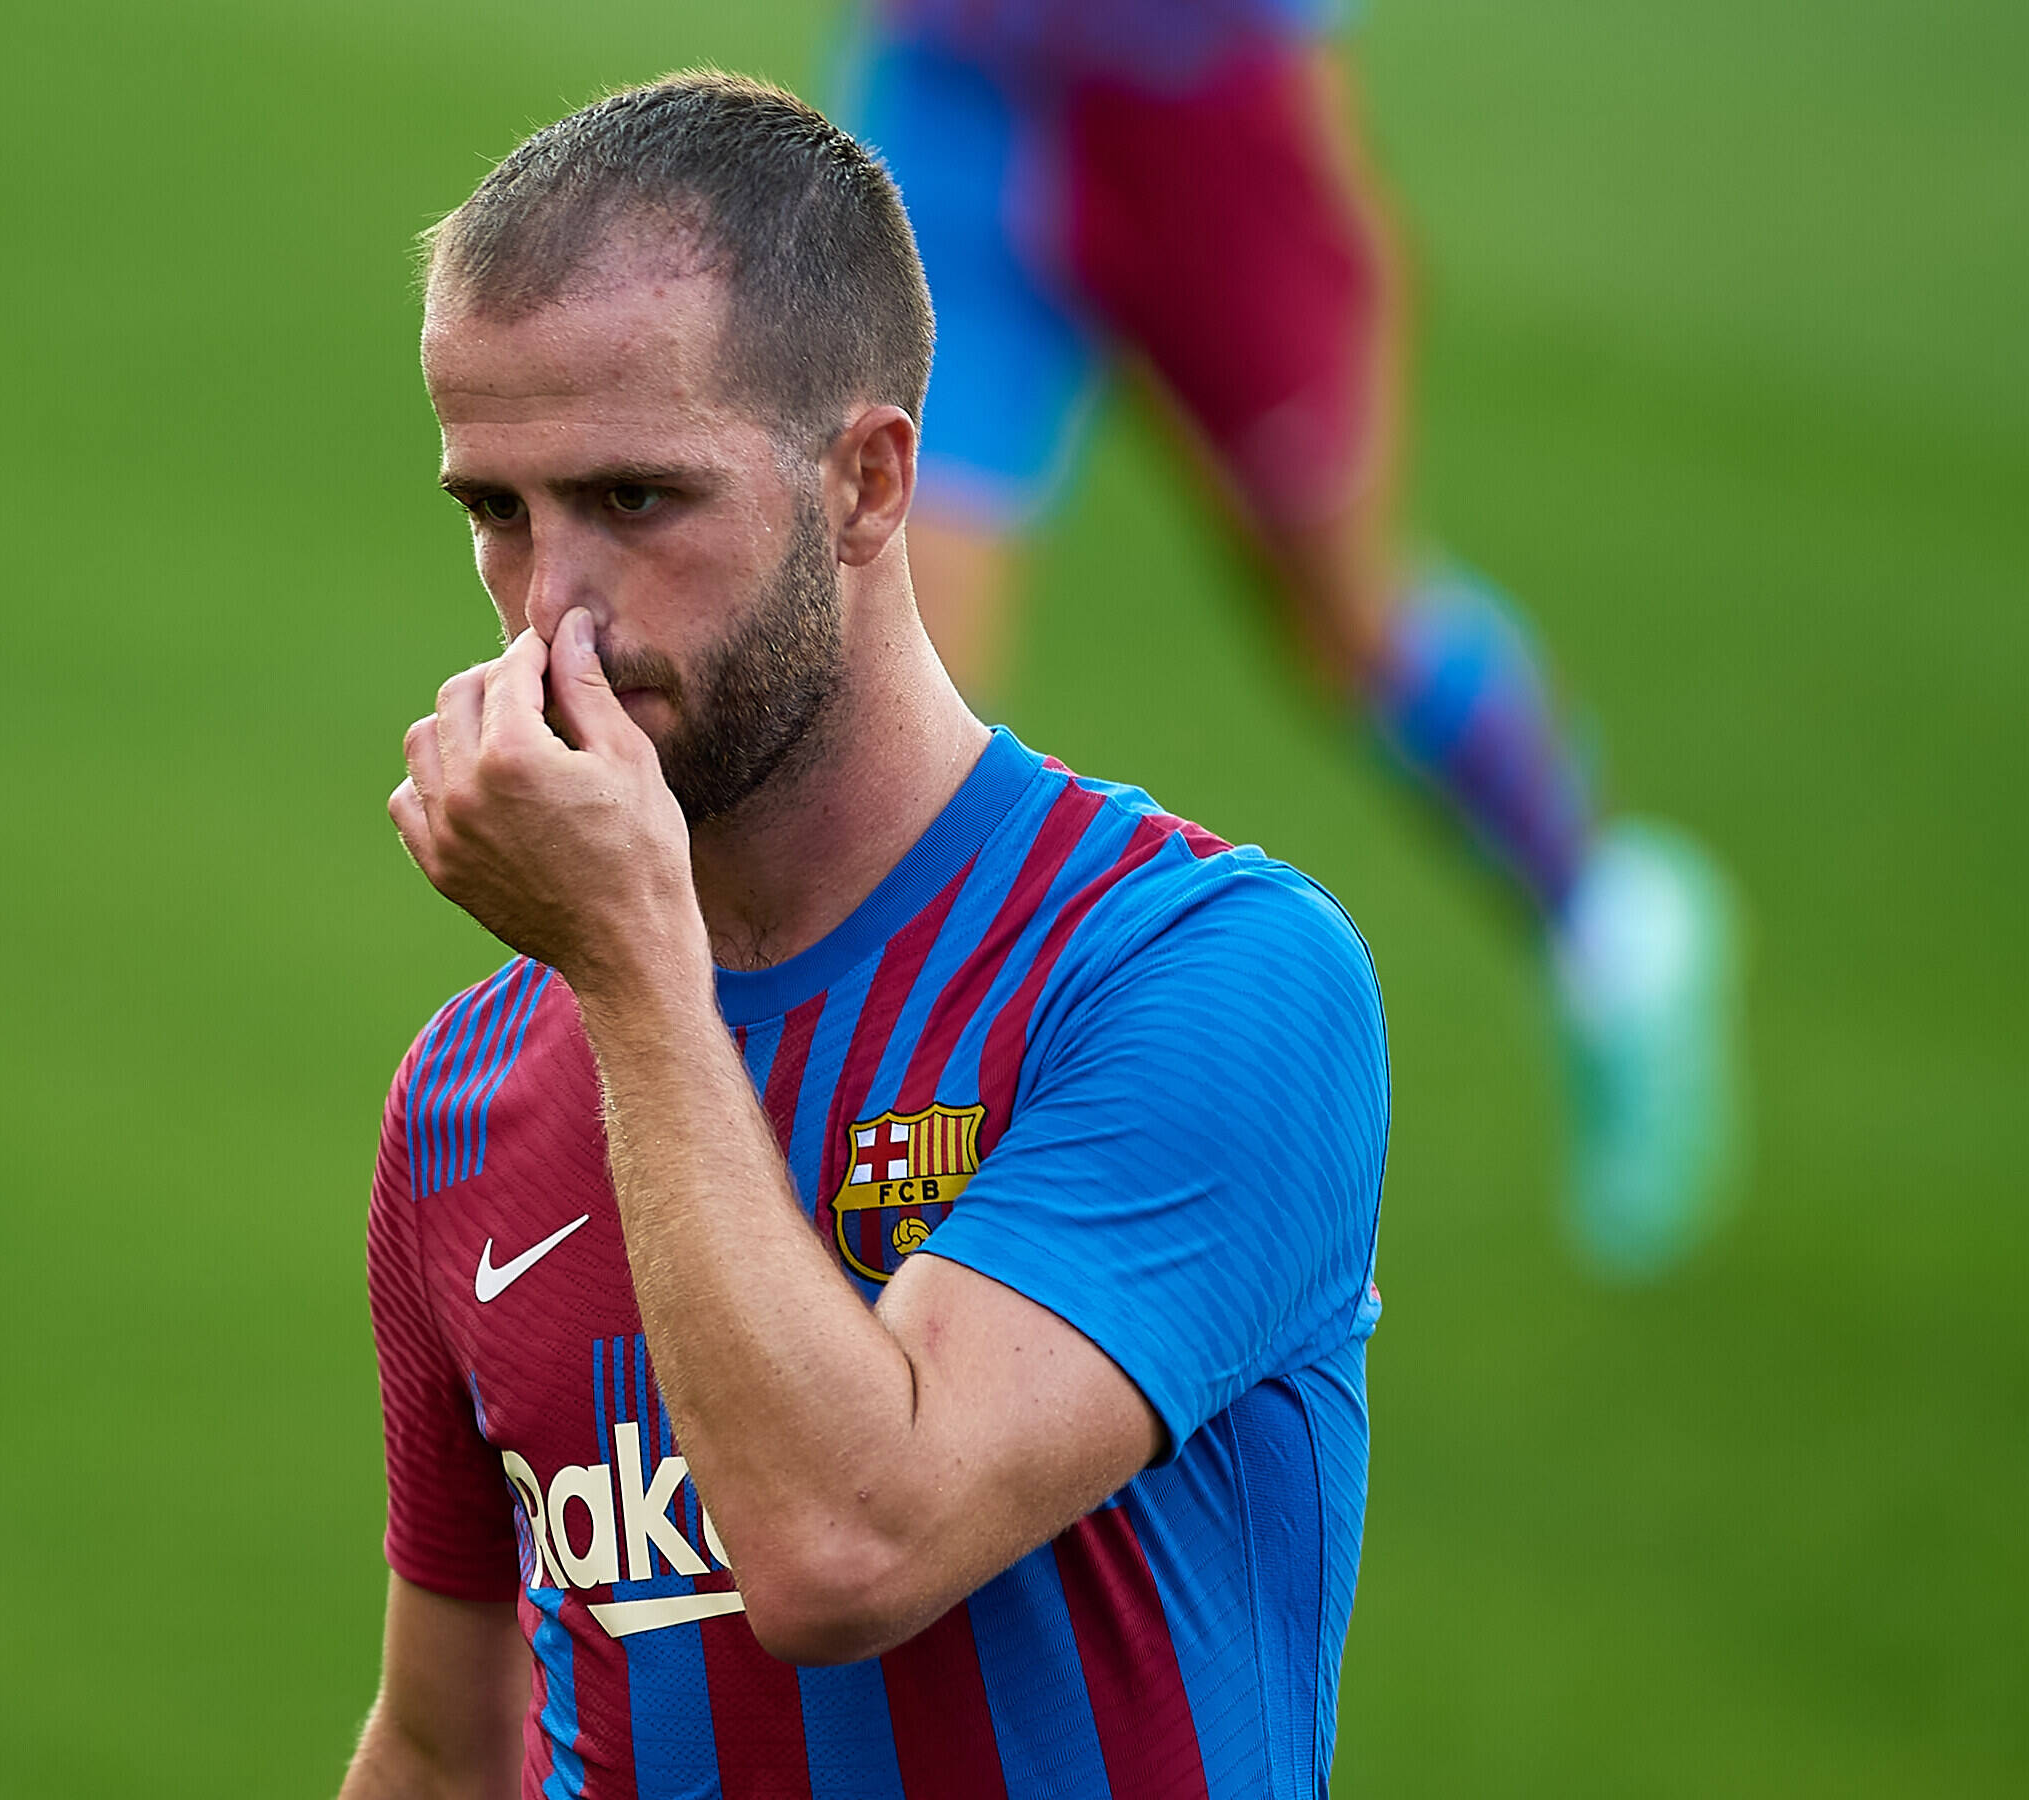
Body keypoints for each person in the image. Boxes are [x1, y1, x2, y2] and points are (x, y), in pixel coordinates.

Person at [345, 73, 1386, 1799]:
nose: (555, 615)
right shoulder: (462, 1098)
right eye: (496, 514)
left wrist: (629, 971)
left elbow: (848, 1549)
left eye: (635, 500)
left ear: (868, 482)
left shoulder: (1194, 977)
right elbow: (451, 1749)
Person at [839, 0, 1738, 1274]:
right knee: (884, 664)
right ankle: (879, 1196)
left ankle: (1605, 920)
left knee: (1348, 625)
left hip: (1205, 112)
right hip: (955, 104)